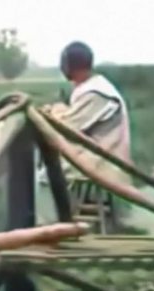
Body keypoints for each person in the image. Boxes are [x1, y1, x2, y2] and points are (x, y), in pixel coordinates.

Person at [38, 41, 133, 228]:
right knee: (47, 162)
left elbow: (68, 127)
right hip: (97, 151)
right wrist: (58, 111)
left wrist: (53, 112)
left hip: (104, 159)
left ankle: (49, 226)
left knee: (44, 175)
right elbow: (74, 118)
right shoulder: (93, 87)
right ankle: (61, 221)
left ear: (70, 65)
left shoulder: (97, 93)